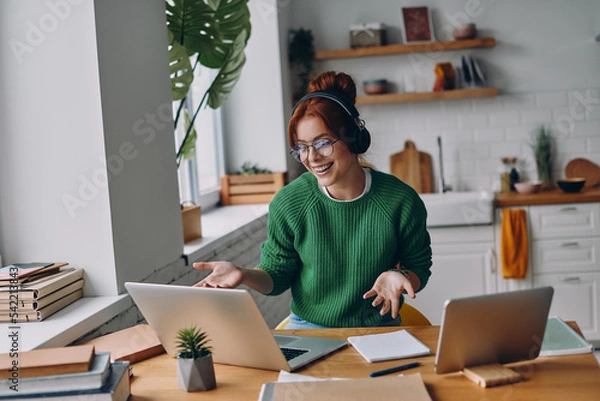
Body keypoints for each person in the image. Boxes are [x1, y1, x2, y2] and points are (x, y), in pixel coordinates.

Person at [194, 71, 432, 328]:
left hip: (378, 328)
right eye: (302, 147)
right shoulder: (289, 203)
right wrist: (244, 275)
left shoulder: (400, 200)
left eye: (322, 143)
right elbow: (277, 275)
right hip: (309, 330)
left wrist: (399, 275)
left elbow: (418, 265)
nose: (312, 157)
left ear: (354, 137)